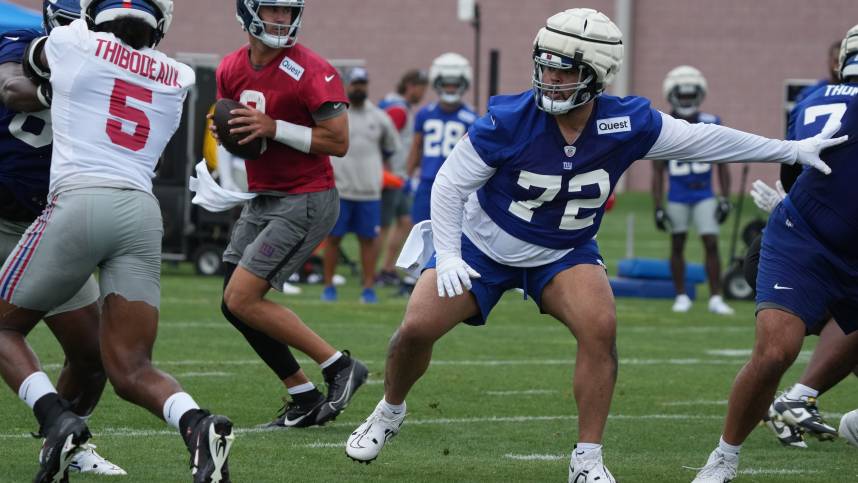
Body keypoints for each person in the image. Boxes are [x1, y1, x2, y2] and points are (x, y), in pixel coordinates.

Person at [343, 9, 843, 482]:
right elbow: (449, 185)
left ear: (598, 74)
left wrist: (790, 149)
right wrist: (449, 254)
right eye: (545, 68)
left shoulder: (627, 123)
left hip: (563, 252)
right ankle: (390, 409)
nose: (550, 80)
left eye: (564, 72)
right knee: (414, 328)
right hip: (484, 244)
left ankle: (586, 458)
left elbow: (704, 141)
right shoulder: (508, 119)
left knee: (600, 327)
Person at [0, 1, 236, 481]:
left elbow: (22, 77)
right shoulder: (178, 75)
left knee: (3, 328)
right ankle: (196, 423)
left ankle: (55, 419)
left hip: (80, 202)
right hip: (141, 213)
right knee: (130, 367)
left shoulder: (71, 42)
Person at [691, 28, 858, 483]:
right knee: (775, 350)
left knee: (781, 350)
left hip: (817, 230)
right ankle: (723, 458)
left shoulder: (815, 97)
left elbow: (794, 167)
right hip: (804, 241)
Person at [216, 0, 368, 429]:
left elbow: (338, 142)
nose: (282, 19)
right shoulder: (230, 67)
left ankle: (339, 365)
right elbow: (236, 126)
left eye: (288, 11)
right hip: (263, 195)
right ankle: (303, 396)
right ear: (247, 12)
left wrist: (273, 127)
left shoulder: (312, 69)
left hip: (305, 197)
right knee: (233, 303)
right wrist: (224, 135)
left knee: (244, 298)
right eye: (273, 10)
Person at [0, 0, 125, 476]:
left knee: (94, 359)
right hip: (1, 212)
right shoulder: (18, 45)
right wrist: (73, 88)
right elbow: (13, 90)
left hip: (50, 224)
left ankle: (66, 440)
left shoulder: (110, 65)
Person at [738, 25, 858, 451]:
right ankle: (798, 398)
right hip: (825, 249)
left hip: (791, 236)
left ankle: (799, 401)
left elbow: (793, 170)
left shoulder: (811, 98)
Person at [652, 66, 733, 315]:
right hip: (677, 194)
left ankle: (716, 297)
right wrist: (657, 207)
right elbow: (657, 170)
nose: (686, 101)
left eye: (690, 96)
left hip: (703, 193)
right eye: (682, 96)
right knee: (677, 243)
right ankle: (681, 295)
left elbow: (722, 164)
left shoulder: (712, 122)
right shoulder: (662, 124)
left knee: (710, 242)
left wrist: (725, 198)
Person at [321, 67, 400, 303]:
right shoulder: (336, 114)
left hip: (369, 192)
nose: (359, 88)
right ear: (347, 85)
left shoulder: (379, 117)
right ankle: (328, 286)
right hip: (340, 190)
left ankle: (368, 288)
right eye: (355, 84)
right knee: (333, 239)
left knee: (368, 240)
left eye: (363, 84)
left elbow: (391, 148)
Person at [406, 53, 477, 224]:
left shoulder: (471, 118)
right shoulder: (425, 113)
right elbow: (416, 147)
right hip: (427, 181)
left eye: (455, 85)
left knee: (452, 233)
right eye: (446, 84)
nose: (451, 89)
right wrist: (407, 176)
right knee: (421, 230)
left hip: (455, 184)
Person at [377, 69, 428, 286]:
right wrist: (384, 168)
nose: (423, 94)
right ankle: (376, 271)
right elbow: (381, 139)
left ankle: (387, 268)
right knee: (384, 224)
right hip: (391, 177)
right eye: (421, 89)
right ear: (411, 86)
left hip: (398, 177)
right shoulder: (398, 110)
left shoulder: (396, 106)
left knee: (405, 221)